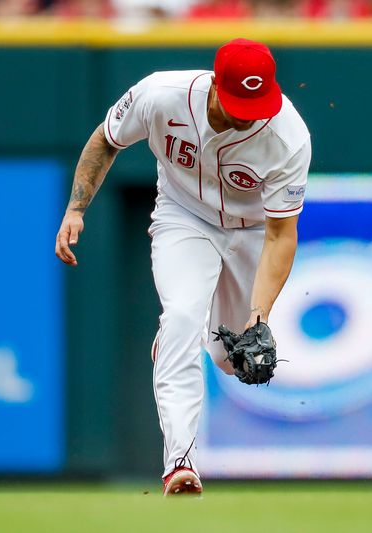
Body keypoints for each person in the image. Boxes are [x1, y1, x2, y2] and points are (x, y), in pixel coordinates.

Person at [55, 38, 311, 496]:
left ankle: (185, 332)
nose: (250, 112)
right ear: (216, 85)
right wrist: (77, 208)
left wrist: (259, 316)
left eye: (258, 102)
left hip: (253, 229)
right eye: (240, 103)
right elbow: (106, 139)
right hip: (183, 216)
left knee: (231, 359)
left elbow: (280, 235)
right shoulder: (161, 95)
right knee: (182, 317)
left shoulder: (287, 136)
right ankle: (180, 461)